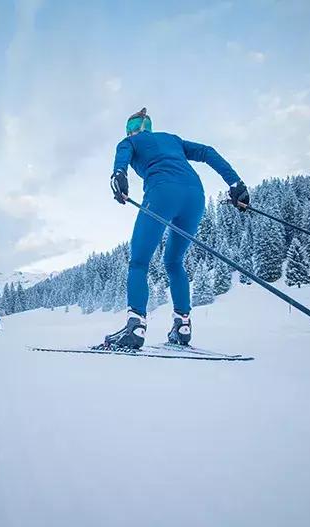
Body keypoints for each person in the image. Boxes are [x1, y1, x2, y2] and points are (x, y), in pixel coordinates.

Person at [104, 108, 249, 349]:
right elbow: (207, 152)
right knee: (174, 262)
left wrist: (119, 176)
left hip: (162, 194)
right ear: (149, 127)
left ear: (131, 129)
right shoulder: (173, 139)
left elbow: (121, 163)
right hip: (195, 197)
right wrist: (235, 184)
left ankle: (135, 326)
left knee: (139, 262)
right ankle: (182, 325)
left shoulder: (129, 142)